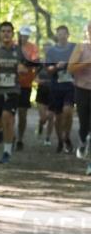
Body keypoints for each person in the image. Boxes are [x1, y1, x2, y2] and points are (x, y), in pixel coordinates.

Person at [0, 22, 31, 164]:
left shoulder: (19, 51)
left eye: (9, 31)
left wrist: (23, 69)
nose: (6, 34)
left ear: (13, 34)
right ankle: (0, 132)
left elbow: (27, 68)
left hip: (12, 89)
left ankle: (7, 152)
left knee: (7, 118)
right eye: (3, 31)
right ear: (0, 34)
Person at [45, 25, 77, 154]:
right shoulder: (51, 51)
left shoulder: (75, 48)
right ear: (56, 36)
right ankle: (60, 140)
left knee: (68, 111)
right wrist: (57, 67)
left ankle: (67, 136)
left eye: (64, 33)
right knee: (58, 117)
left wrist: (71, 66)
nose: (62, 36)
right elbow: (48, 70)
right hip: (56, 86)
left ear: (68, 35)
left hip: (70, 85)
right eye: (60, 34)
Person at [66, 21, 91, 175]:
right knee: (84, 124)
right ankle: (82, 142)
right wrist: (87, 63)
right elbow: (70, 68)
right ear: (86, 32)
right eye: (90, 29)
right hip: (82, 90)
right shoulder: (81, 47)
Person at [15, 26, 40, 150]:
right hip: (11, 84)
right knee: (9, 112)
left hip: (25, 85)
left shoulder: (33, 47)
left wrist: (25, 65)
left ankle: (20, 138)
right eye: (21, 35)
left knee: (22, 113)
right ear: (18, 35)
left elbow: (36, 61)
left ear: (29, 36)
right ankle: (10, 135)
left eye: (26, 36)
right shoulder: (12, 45)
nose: (23, 37)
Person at [36, 41, 56, 146]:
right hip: (41, 91)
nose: (47, 50)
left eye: (49, 48)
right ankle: (40, 123)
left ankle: (47, 138)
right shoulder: (40, 62)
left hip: (53, 92)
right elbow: (35, 77)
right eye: (45, 48)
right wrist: (38, 81)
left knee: (51, 116)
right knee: (44, 117)